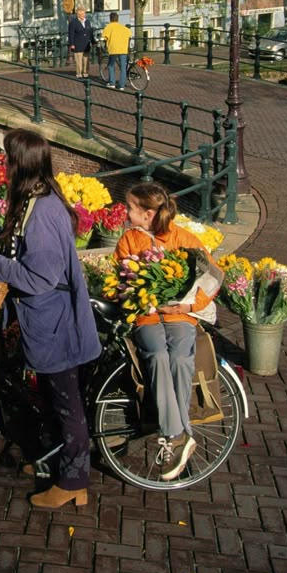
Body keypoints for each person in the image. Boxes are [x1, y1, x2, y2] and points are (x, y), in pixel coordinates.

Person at [0, 129, 101, 510]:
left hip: (59, 326)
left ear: (21, 164)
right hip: (44, 324)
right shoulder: (30, 199)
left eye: (6, 160)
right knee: (52, 399)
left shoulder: (45, 212)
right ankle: (56, 462)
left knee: (67, 405)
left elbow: (39, 278)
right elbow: (11, 237)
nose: (2, 166)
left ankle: (73, 482)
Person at [113, 182, 222, 482]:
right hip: (146, 318)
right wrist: (137, 296)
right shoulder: (128, 241)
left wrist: (187, 308)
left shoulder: (184, 239)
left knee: (180, 359)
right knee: (157, 355)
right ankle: (178, 434)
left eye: (130, 207)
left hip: (179, 315)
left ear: (147, 214)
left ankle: (174, 436)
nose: (125, 211)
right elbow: (122, 282)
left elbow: (211, 280)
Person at [101, 11, 131, 90]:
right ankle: (121, 86)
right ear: (118, 19)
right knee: (123, 67)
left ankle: (112, 83)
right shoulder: (124, 27)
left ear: (110, 19)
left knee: (111, 65)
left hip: (113, 49)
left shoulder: (108, 27)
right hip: (123, 49)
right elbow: (129, 35)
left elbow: (104, 37)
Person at [67, 7, 94, 79]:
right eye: (81, 14)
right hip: (77, 43)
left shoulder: (87, 21)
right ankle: (79, 73)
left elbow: (90, 32)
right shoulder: (73, 23)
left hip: (86, 44)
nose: (83, 15)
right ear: (77, 15)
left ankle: (85, 72)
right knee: (79, 60)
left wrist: (93, 41)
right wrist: (72, 44)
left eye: (84, 13)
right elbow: (71, 34)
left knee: (86, 60)